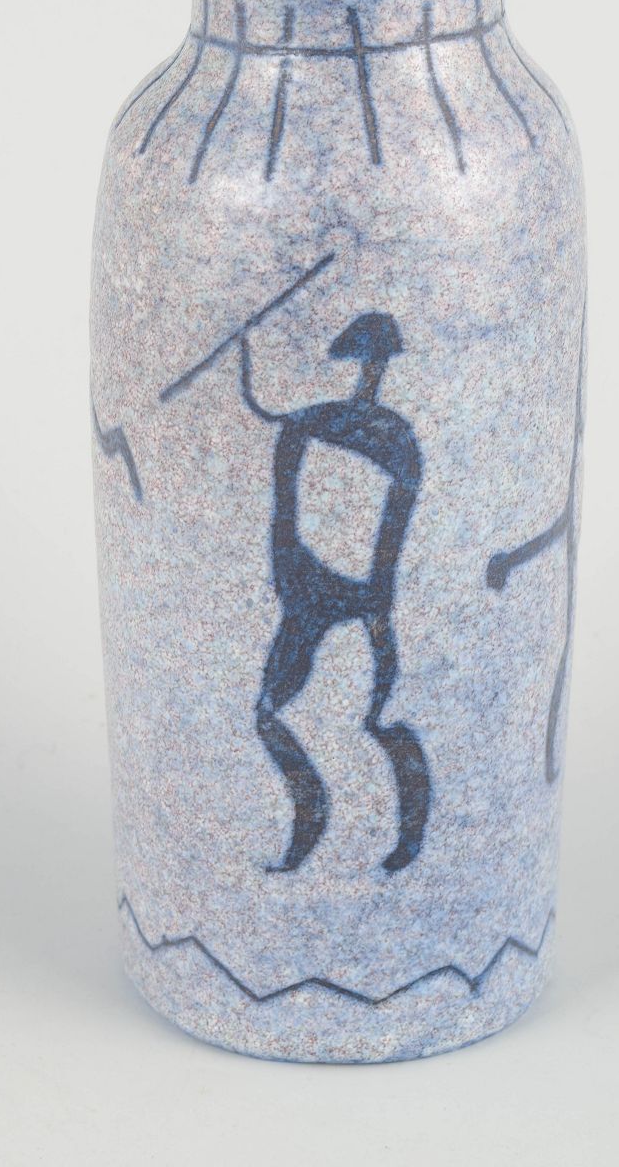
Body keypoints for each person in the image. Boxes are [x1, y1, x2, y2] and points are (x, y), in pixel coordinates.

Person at [240, 312, 430, 873]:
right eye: (367, 363)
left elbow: (391, 527)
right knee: (274, 711)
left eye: (373, 363)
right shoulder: (315, 427)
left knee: (375, 717)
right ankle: (312, 818)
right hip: (311, 589)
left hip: (343, 593)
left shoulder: (385, 438)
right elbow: (286, 517)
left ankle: (407, 838)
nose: (369, 373)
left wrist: (377, 605)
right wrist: (293, 587)